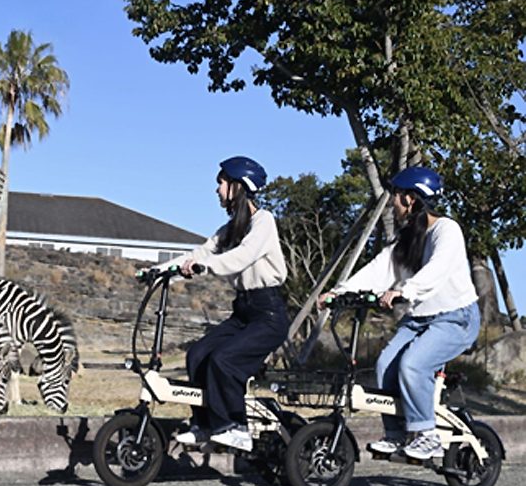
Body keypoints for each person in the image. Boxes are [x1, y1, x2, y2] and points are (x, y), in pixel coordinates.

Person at [318, 166, 480, 460]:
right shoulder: (407, 238)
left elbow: (438, 269)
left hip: (456, 318)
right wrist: (338, 293)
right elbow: (379, 270)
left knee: (413, 365)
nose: (393, 202)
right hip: (419, 319)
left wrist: (405, 291)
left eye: (396, 196)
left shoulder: (447, 230)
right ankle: (396, 434)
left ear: (412, 200)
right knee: (385, 365)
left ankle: (427, 435)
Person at [163, 156, 289, 451]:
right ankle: (205, 425)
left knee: (224, 359)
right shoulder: (230, 229)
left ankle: (235, 425)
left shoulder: (263, 222)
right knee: (197, 354)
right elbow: (201, 253)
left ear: (237, 186)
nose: (217, 190)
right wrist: (160, 272)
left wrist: (206, 267)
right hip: (243, 310)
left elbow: (243, 256)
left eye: (220, 183)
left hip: (268, 313)